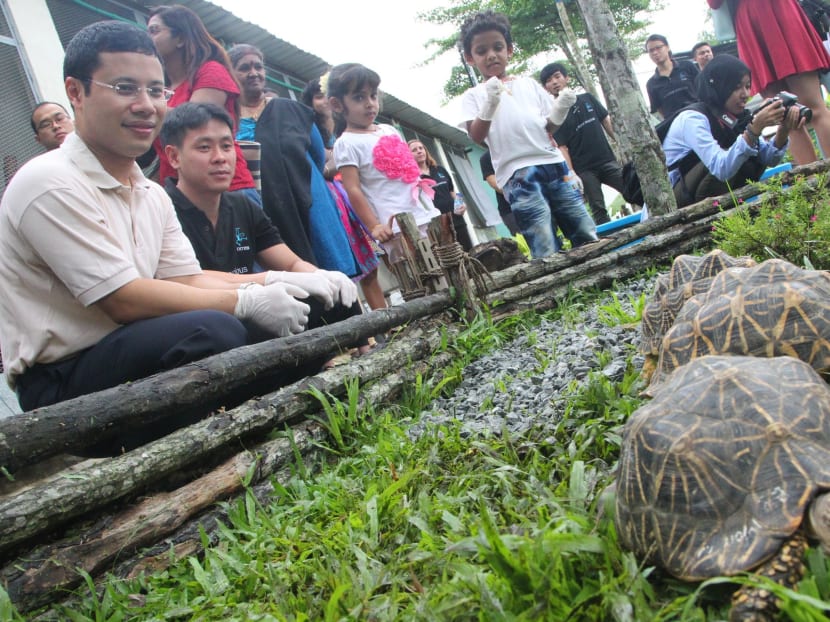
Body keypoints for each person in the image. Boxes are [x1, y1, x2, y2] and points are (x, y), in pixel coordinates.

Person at [0, 21, 313, 424]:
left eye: (156, 90)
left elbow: (187, 279)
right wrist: (245, 300)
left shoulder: (149, 191)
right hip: (65, 376)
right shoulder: (49, 182)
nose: (146, 105)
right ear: (76, 92)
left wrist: (278, 281)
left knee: (309, 303)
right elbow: (122, 299)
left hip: (136, 342)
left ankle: (280, 405)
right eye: (125, 88)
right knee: (215, 330)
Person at [160, 103, 363, 347]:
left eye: (226, 146)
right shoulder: (162, 209)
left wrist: (320, 277)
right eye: (204, 147)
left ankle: (363, 356)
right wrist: (270, 281)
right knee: (222, 329)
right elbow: (182, 279)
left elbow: (290, 263)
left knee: (336, 296)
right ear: (174, 157)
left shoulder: (242, 206)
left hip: (261, 308)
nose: (220, 157)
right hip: (205, 320)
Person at [458, 10, 597, 259]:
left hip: (553, 162)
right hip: (517, 173)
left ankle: (599, 268)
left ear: (509, 49)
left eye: (498, 47)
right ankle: (559, 280)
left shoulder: (529, 84)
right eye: (481, 51)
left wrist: (561, 108)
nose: (491, 55)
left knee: (581, 224)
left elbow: (549, 127)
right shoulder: (474, 95)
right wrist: (490, 102)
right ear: (470, 57)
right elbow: (476, 136)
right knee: (541, 237)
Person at [228, 45, 363, 283]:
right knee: (290, 277)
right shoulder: (229, 120)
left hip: (309, 197)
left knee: (332, 273)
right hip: (264, 205)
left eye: (258, 66)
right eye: (244, 68)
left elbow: (317, 154)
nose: (254, 73)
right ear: (230, 73)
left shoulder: (292, 110)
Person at [328, 63, 441, 310]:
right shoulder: (346, 143)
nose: (370, 103)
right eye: (359, 98)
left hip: (421, 211)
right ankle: (430, 318)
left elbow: (408, 170)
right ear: (337, 105)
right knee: (416, 277)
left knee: (440, 265)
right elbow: (353, 189)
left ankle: (457, 314)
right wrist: (374, 226)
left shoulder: (388, 129)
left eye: (372, 95)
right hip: (395, 224)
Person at [662, 54, 803, 207]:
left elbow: (767, 158)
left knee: (746, 151)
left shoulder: (736, 117)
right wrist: (753, 130)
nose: (745, 95)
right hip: (673, 200)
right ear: (720, 86)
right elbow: (721, 169)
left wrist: (784, 128)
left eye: (747, 86)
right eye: (736, 88)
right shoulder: (693, 119)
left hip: (699, 191)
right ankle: (716, 217)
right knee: (735, 151)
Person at [147, 5, 256, 201]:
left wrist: (146, 108)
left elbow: (191, 122)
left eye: (154, 30)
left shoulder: (211, 71)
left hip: (227, 193)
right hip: (181, 196)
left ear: (180, 38)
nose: (148, 39)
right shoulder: (162, 89)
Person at [708, 0, 830, 165]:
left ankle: (814, 178)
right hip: (774, 12)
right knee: (792, 115)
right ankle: (813, 176)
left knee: (793, 114)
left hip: (754, 19)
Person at [301, 75, 380, 282]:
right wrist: (341, 161)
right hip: (338, 199)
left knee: (376, 258)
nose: (325, 101)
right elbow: (321, 169)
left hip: (365, 194)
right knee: (360, 263)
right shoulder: (310, 131)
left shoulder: (353, 127)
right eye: (319, 96)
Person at [540, 62, 631, 225]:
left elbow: (606, 121)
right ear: (545, 88)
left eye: (557, 76)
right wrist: (571, 173)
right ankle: (610, 238)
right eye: (548, 80)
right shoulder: (554, 115)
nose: (554, 82)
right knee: (598, 208)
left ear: (566, 78)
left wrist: (623, 143)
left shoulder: (587, 98)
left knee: (631, 189)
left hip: (607, 160)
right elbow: (562, 147)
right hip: (584, 171)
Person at [408, 139, 473, 251]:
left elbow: (453, 191)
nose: (419, 151)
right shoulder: (413, 178)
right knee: (449, 255)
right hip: (437, 226)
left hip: (456, 219)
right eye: (414, 150)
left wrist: (461, 204)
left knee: (468, 251)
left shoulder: (440, 169)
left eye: (421, 148)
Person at [645, 34, 700, 120]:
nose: (655, 52)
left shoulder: (687, 66)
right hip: (675, 123)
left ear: (667, 47)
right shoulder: (651, 84)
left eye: (658, 48)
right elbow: (659, 109)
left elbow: (702, 88)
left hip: (699, 115)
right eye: (651, 50)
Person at [479, 150, 520, 235]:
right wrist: (520, 194)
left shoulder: (519, 148)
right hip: (510, 209)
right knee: (524, 239)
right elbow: (494, 183)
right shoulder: (487, 157)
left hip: (537, 201)